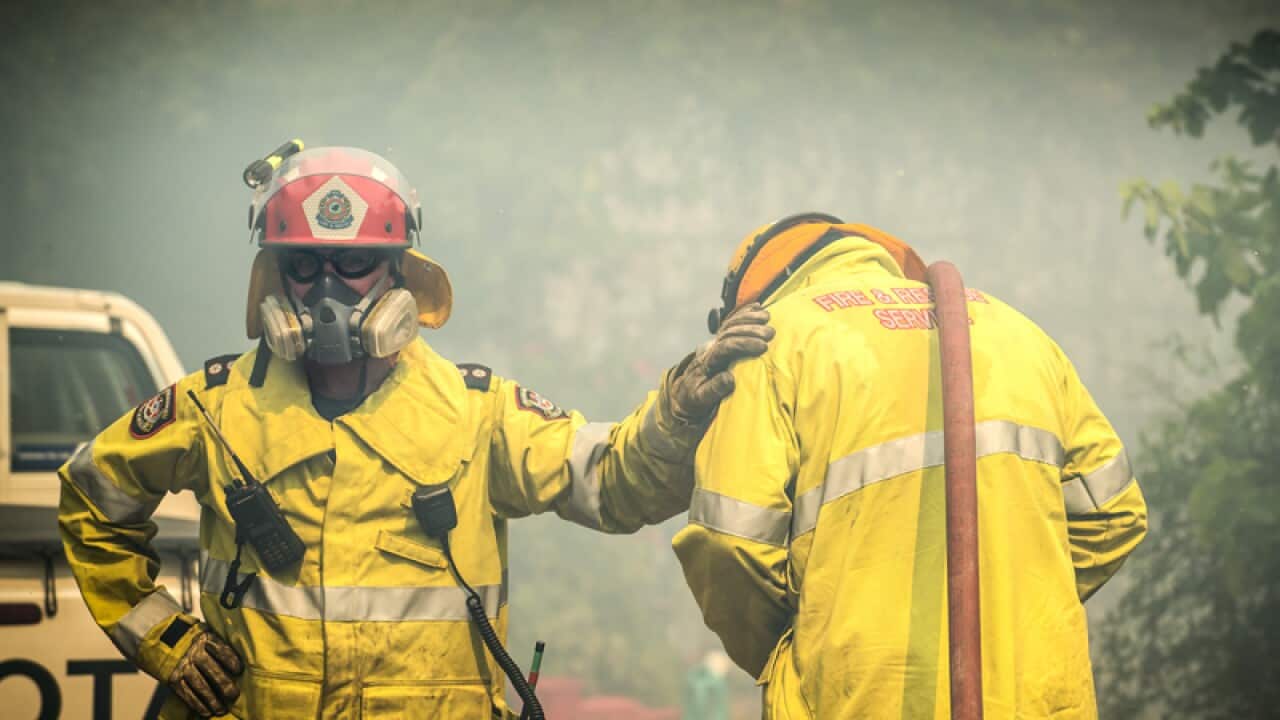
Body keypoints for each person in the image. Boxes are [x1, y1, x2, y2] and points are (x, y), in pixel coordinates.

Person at [57, 145, 774, 719]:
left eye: (355, 263)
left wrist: (679, 409)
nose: (328, 288)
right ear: (273, 276)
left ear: (400, 273)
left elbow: (613, 483)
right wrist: (165, 638)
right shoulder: (216, 410)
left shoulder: (479, 412)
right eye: (304, 265)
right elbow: (90, 500)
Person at [672, 213, 1148, 719]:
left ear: (743, 305)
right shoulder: (1018, 334)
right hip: (1032, 699)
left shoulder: (770, 347)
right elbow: (1113, 514)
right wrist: (1013, 610)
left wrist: (798, 646)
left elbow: (729, 544)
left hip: (860, 701)